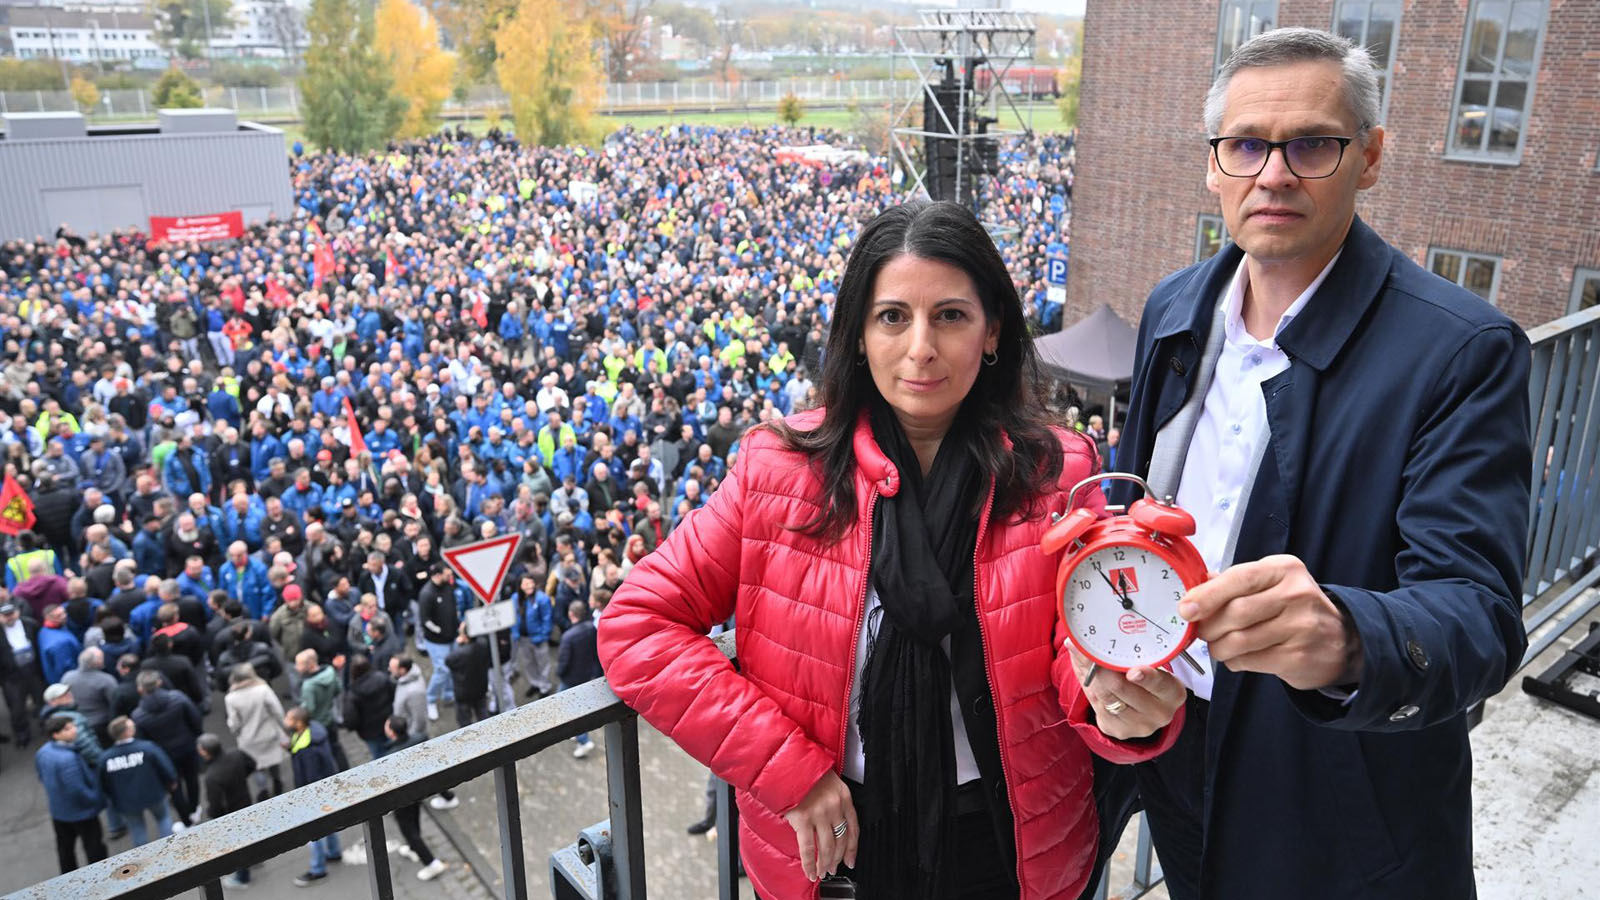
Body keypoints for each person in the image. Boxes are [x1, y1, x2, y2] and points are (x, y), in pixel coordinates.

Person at [599, 201, 1186, 899]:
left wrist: (1118, 702)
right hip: (830, 838)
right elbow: (638, 628)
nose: (920, 349)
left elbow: (1076, 651)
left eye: (950, 316)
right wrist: (789, 770)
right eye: (893, 317)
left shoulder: (1058, 472)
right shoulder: (778, 473)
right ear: (857, 334)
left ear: (992, 329)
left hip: (1010, 846)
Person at [1105, 28, 1533, 900]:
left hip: (1339, 806)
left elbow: (1481, 619)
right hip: (1178, 749)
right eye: (1247, 145)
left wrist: (1345, 637)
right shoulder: (1173, 307)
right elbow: (1129, 510)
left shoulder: (1463, 351)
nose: (1274, 173)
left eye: (1311, 145)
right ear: (1213, 165)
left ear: (1369, 157)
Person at [379, 715, 450, 881]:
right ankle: (413, 848)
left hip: (402, 797)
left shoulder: (390, 755)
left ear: (392, 733)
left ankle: (431, 863)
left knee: (409, 830)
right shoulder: (419, 739)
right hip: (417, 789)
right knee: (414, 819)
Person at [131, 670, 204, 827]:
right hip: (187, 747)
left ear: (140, 689)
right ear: (159, 683)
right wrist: (196, 736)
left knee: (174, 786)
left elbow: (143, 741)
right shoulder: (178, 698)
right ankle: (194, 809)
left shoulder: (138, 715)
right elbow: (195, 719)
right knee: (192, 779)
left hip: (164, 756)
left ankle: (186, 820)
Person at [36, 715, 107, 873]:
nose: (75, 730)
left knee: (65, 848)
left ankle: (68, 879)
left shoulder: (43, 752)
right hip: (81, 813)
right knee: (94, 846)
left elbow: (41, 775)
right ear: (56, 734)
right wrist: (95, 799)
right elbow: (77, 790)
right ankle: (101, 875)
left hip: (59, 811)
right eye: (68, 728)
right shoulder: (68, 759)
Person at [284, 707, 344, 886]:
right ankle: (334, 851)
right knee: (328, 820)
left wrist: (304, 798)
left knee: (314, 831)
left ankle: (318, 869)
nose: (285, 720)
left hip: (313, 794)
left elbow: (310, 776)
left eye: (288, 718)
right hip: (324, 789)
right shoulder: (313, 732)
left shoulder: (307, 750)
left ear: (298, 723)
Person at [97, 716, 178, 847]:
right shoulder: (147, 748)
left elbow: (103, 782)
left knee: (137, 829)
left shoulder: (106, 758)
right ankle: (170, 849)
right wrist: (171, 781)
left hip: (126, 801)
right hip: (154, 794)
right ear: (127, 731)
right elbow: (165, 767)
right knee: (163, 819)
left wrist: (112, 797)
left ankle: (144, 859)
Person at [196, 732, 257, 888]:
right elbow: (252, 764)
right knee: (250, 835)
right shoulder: (236, 754)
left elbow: (215, 806)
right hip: (245, 800)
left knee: (238, 846)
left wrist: (213, 816)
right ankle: (256, 858)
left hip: (230, 813)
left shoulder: (212, 776)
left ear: (205, 752)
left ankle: (242, 877)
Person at [223, 663, 289, 801]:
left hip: (249, 739)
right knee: (273, 761)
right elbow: (277, 710)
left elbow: (234, 723)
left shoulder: (231, 698)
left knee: (257, 767)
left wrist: (234, 730)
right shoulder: (263, 689)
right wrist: (284, 726)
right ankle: (277, 783)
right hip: (269, 733)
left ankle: (263, 790)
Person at [556, 601, 602, 759]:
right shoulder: (592, 628)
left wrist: (559, 672)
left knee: (566, 705)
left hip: (571, 678)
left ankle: (583, 740)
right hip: (586, 675)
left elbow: (563, 661)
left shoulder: (568, 637)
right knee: (577, 706)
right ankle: (578, 734)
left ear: (571, 614)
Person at [415, 564, 458, 720]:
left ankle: (448, 694)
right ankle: (430, 699)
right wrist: (440, 631)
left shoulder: (448, 587)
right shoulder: (426, 594)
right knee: (442, 671)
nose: (450, 576)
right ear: (438, 575)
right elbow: (425, 620)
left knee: (451, 667)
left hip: (452, 636)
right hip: (437, 642)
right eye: (447, 574)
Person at [295, 649, 349, 772]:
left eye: (299, 664)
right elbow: (338, 689)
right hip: (329, 718)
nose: (296, 667)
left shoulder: (308, 686)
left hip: (318, 725)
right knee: (337, 748)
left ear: (310, 664)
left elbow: (309, 709)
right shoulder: (330, 671)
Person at [1, 601, 46, 744]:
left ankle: (45, 725)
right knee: (17, 708)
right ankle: (22, 734)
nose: (9, 618)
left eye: (11, 614)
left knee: (41, 700)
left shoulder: (30, 624)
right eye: (5, 615)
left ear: (17, 612)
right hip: (12, 676)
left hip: (33, 671)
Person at [343, 653, 395, 760]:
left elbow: (350, 721)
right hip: (389, 723)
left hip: (371, 733)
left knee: (380, 757)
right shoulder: (382, 677)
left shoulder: (352, 695)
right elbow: (393, 694)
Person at [443, 623, 490, 730]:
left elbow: (448, 661)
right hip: (481, 688)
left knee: (464, 722)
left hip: (464, 692)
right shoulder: (483, 644)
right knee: (483, 714)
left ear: (464, 637)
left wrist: (459, 644)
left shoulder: (459, 654)